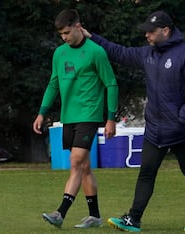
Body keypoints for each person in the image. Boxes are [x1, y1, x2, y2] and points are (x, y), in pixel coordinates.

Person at [81, 10, 185, 232]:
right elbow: (119, 52)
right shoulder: (148, 54)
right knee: (146, 173)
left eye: (150, 32)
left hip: (181, 132)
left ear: (166, 31)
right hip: (155, 130)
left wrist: (182, 117)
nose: (147, 36)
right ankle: (134, 219)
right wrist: (92, 37)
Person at [33, 9, 118, 229]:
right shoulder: (59, 54)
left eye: (67, 32)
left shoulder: (96, 52)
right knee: (85, 167)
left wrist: (110, 118)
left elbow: (111, 84)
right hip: (69, 116)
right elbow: (53, 83)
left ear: (78, 26)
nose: (64, 37)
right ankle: (95, 216)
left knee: (76, 162)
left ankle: (60, 213)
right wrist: (42, 112)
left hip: (89, 115)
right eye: (61, 34)